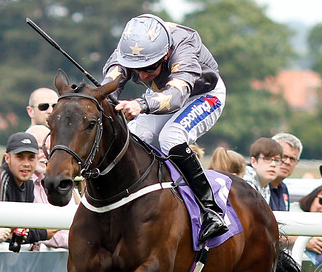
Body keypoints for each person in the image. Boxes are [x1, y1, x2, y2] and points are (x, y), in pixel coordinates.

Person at [102, 13, 228, 243]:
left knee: (171, 136)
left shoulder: (184, 44)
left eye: (149, 68)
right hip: (162, 92)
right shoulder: (130, 46)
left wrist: (140, 104)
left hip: (201, 93)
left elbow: (176, 97)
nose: (141, 75)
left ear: (166, 54)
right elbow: (108, 86)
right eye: (135, 68)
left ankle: (212, 210)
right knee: (134, 136)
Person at [0, 132, 48, 245]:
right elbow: (6, 230)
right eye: (20, 157)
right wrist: (43, 234)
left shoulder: (30, 182)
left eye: (31, 158)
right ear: (7, 158)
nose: (26, 163)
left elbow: (25, 226)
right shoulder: (2, 179)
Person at [26, 125, 66, 248]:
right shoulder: (21, 183)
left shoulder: (58, 181)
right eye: (39, 148)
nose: (45, 154)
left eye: (50, 149)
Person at [269, 133, 303, 212]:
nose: (287, 162)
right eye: (284, 156)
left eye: (292, 159)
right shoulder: (256, 185)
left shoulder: (283, 188)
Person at [243, 138, 283, 203]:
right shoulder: (245, 185)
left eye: (277, 160)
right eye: (267, 159)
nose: (273, 164)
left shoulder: (265, 185)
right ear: (254, 162)